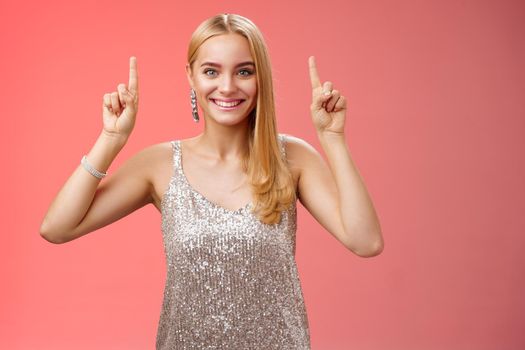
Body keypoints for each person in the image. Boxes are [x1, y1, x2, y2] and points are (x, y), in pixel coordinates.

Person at [40, 13, 383, 350]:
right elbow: (57, 228)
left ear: (260, 77)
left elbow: (365, 241)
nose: (228, 86)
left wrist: (333, 139)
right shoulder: (159, 164)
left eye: (244, 71)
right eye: (211, 71)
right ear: (191, 76)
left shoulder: (292, 157)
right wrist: (110, 139)